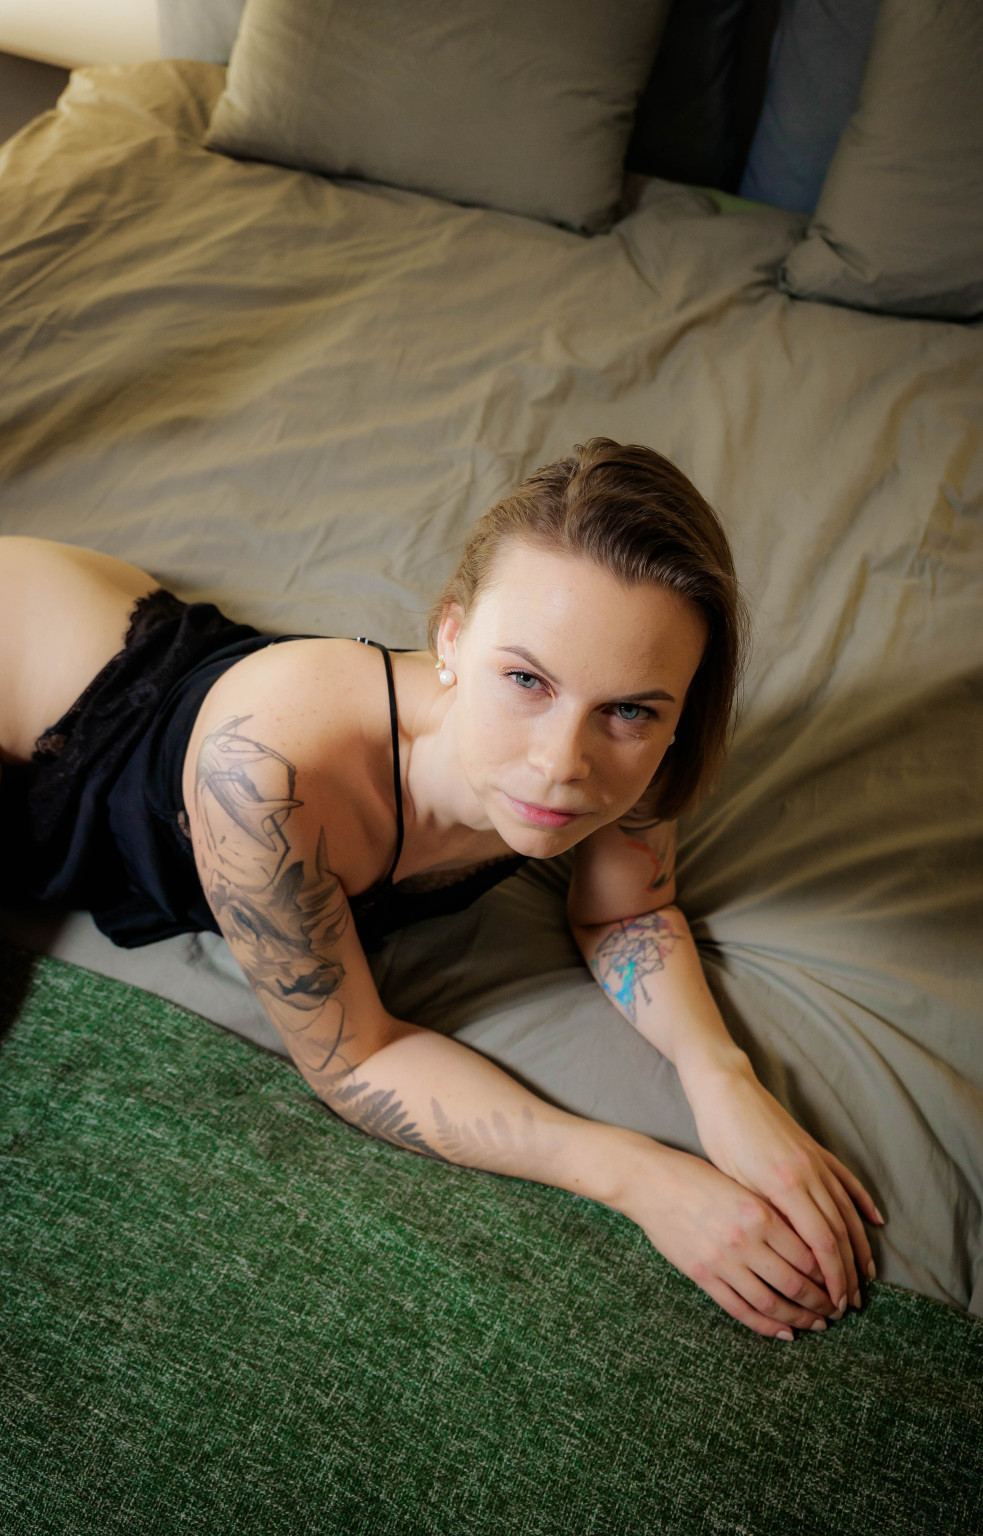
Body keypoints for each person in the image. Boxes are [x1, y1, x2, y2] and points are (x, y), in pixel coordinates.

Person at [0, 436, 881, 1340]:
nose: (562, 766)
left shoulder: (640, 756)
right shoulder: (262, 778)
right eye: (526, 680)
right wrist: (641, 1177)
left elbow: (629, 909)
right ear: (451, 637)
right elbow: (355, 1061)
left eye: (627, 710)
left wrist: (723, 1079)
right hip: (32, 669)